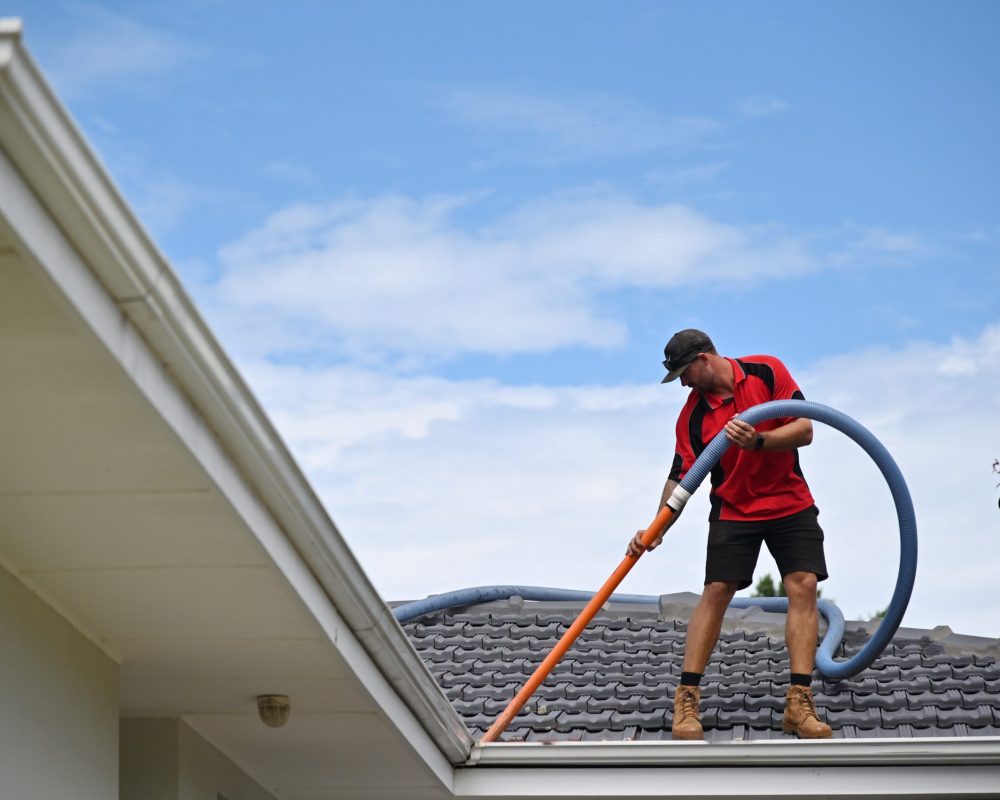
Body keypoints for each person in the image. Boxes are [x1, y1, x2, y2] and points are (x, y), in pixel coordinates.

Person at [628, 329, 833, 740]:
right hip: (734, 510)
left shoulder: (766, 371)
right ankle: (686, 700)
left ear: (704, 359)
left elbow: (805, 429)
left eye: (685, 373)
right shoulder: (692, 417)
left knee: (804, 584)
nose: (683, 383)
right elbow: (679, 478)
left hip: (789, 502)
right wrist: (654, 529)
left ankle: (799, 703)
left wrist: (758, 441)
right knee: (718, 590)